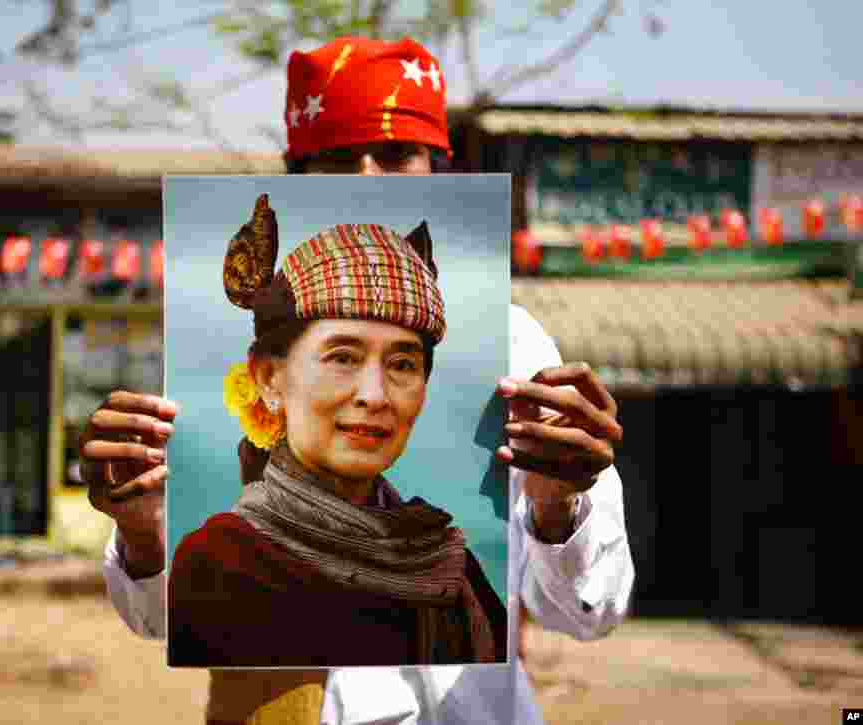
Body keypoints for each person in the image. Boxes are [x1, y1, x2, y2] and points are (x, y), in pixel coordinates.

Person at [82, 37, 634, 724]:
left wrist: (559, 508)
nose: (372, 176)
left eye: (399, 154)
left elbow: (587, 610)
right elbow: (160, 617)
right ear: (270, 377)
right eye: (341, 158)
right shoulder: (224, 535)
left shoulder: (513, 357)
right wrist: (141, 530)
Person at [168, 201, 507, 668]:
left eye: (403, 364)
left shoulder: (451, 568)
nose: (375, 395)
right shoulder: (221, 566)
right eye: (343, 357)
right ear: (269, 377)